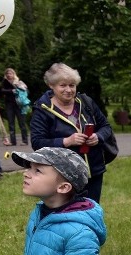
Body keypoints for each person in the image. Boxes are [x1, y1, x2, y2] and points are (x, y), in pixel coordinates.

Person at [29, 62, 115, 203]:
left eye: (72, 85)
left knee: (91, 209)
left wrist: (98, 136)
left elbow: (105, 126)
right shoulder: (42, 109)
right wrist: (66, 141)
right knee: (66, 212)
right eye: (63, 85)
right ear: (51, 85)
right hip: (63, 174)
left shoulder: (86, 102)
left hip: (93, 170)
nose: (68, 90)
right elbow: (37, 142)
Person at [0, 68, 29, 146]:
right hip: (9, 104)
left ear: (14, 74)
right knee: (11, 123)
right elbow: (2, 90)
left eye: (10, 73)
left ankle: (25, 140)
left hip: (19, 104)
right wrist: (11, 91)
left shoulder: (18, 82)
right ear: (5, 75)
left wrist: (20, 89)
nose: (9, 75)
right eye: (7, 74)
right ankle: (13, 142)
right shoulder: (4, 82)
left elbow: (25, 90)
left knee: (22, 123)